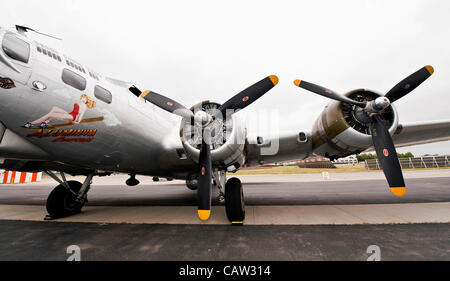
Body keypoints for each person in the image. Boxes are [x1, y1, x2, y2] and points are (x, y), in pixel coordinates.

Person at [22, 94, 96, 128]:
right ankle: (45, 122)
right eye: (82, 97)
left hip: (72, 117)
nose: (82, 98)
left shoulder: (84, 106)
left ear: (86, 100)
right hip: (70, 114)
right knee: (55, 108)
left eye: (84, 98)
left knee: (50, 115)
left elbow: (81, 114)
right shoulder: (80, 103)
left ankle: (31, 124)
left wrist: (77, 122)